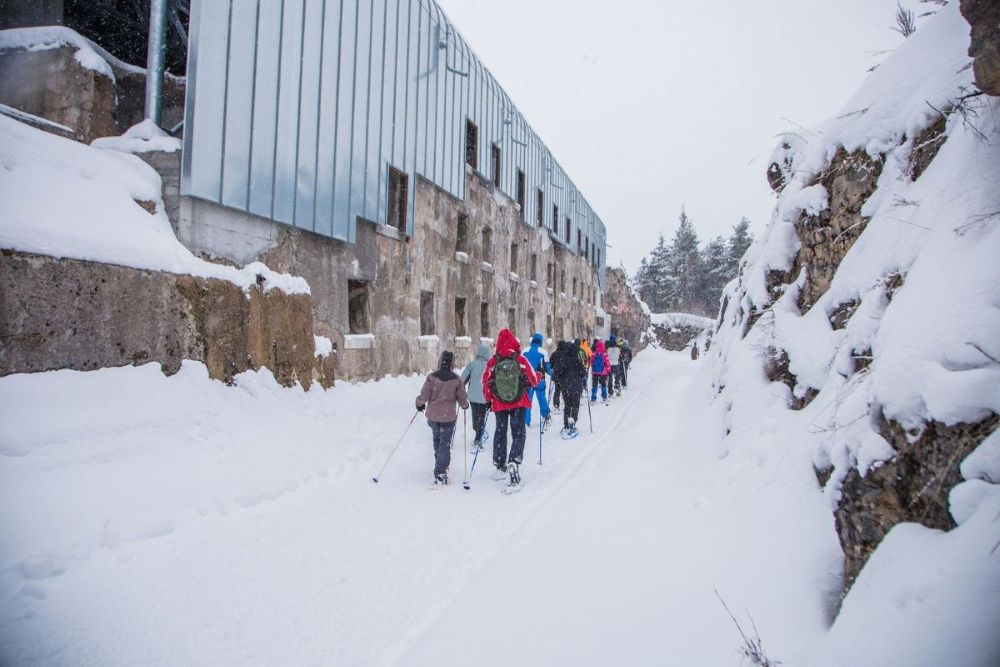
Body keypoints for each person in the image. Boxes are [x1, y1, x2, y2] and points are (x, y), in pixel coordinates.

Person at [482, 328, 539, 490]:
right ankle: (514, 460)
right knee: (518, 432)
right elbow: (534, 380)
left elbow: (485, 383)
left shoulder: (493, 362)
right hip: (518, 402)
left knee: (500, 432)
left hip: (499, 403)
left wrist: (489, 399)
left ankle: (500, 466)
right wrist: (538, 377)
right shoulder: (520, 359)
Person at [416, 350, 470, 486]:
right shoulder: (456, 379)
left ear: (440, 361)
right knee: (444, 443)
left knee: (437, 440)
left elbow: (424, 394)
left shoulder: (432, 377)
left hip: (433, 416)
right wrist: (465, 405)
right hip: (448, 417)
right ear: (452, 363)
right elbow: (462, 398)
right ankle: (440, 472)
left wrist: (419, 403)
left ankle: (441, 463)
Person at [460, 341, 492, 451]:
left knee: (475, 416)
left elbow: (463, 379)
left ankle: (478, 434)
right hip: (484, 397)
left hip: (473, 397)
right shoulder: (490, 366)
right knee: (481, 417)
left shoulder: (472, 364)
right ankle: (478, 439)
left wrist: (460, 389)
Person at [553, 340, 587, 438]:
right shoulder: (578, 361)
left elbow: (557, 373)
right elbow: (583, 373)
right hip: (576, 387)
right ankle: (573, 422)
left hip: (566, 387)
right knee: (575, 405)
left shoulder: (563, 360)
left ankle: (566, 424)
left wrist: (558, 378)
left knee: (567, 405)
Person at [522, 332, 552, 431]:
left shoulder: (524, 350)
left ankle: (525, 421)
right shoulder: (543, 352)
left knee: (527, 400)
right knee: (542, 399)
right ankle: (546, 416)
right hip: (540, 379)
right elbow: (547, 367)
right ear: (541, 341)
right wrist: (553, 373)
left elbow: (520, 365)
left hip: (527, 380)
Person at [589, 339, 612, 405]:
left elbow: (591, 362)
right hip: (603, 372)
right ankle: (604, 398)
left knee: (594, 385)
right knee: (603, 385)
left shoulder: (593, 354)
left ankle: (593, 399)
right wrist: (609, 371)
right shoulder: (605, 354)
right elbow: (607, 363)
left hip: (595, 372)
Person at [549, 341, 568, 413]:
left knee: (557, 390)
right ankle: (567, 405)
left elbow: (550, 364)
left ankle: (556, 405)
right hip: (565, 375)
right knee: (565, 390)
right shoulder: (567, 353)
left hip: (557, 374)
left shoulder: (554, 354)